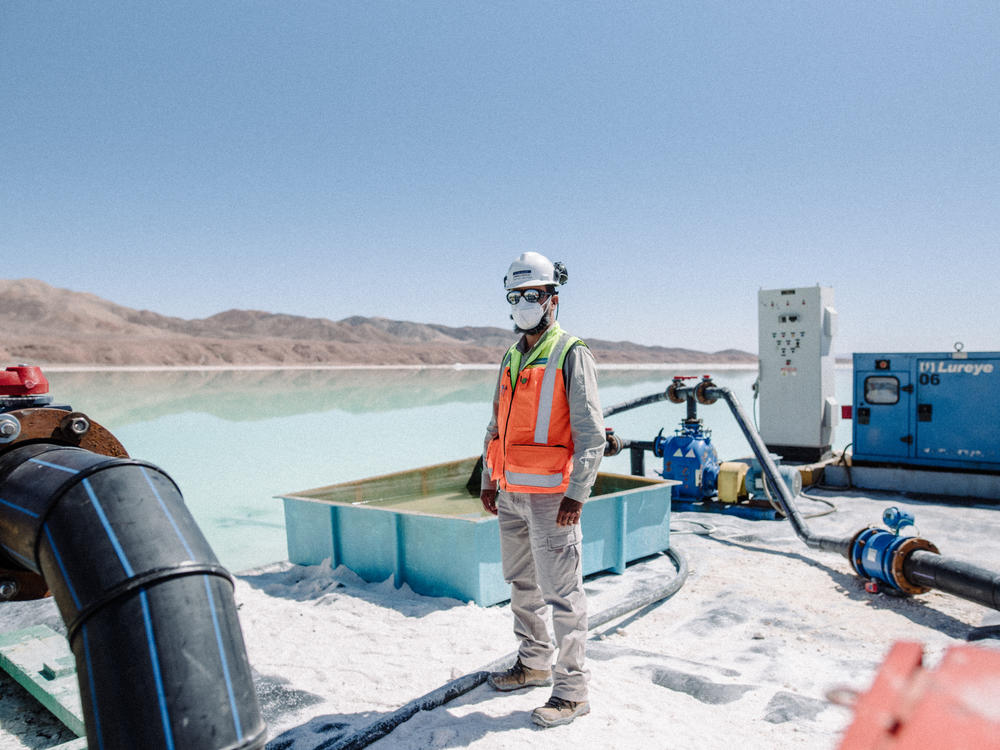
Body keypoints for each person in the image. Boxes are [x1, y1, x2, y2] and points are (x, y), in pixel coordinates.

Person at [480, 251, 606, 728]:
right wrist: (490, 477)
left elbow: (591, 432)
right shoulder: (512, 354)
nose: (524, 304)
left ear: (553, 298)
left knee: (563, 594)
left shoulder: (570, 353)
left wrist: (578, 492)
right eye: (516, 296)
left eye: (532, 295)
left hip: (554, 497)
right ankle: (533, 663)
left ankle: (572, 693)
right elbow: (496, 423)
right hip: (511, 490)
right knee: (521, 583)